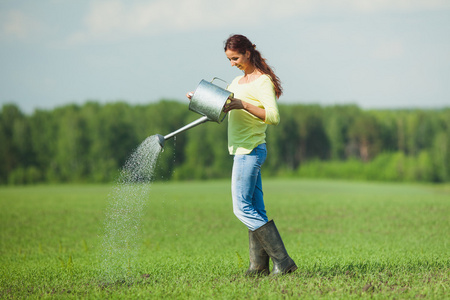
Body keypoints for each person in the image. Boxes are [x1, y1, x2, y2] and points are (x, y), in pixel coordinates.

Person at [188, 34, 297, 276]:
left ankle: (284, 261)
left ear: (248, 53)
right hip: (240, 150)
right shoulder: (236, 83)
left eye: (235, 58)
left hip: (251, 150)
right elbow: (221, 108)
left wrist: (243, 105)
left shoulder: (263, 82)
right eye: (229, 59)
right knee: (256, 209)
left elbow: (274, 117)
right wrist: (199, 99)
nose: (232, 63)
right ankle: (258, 268)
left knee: (241, 208)